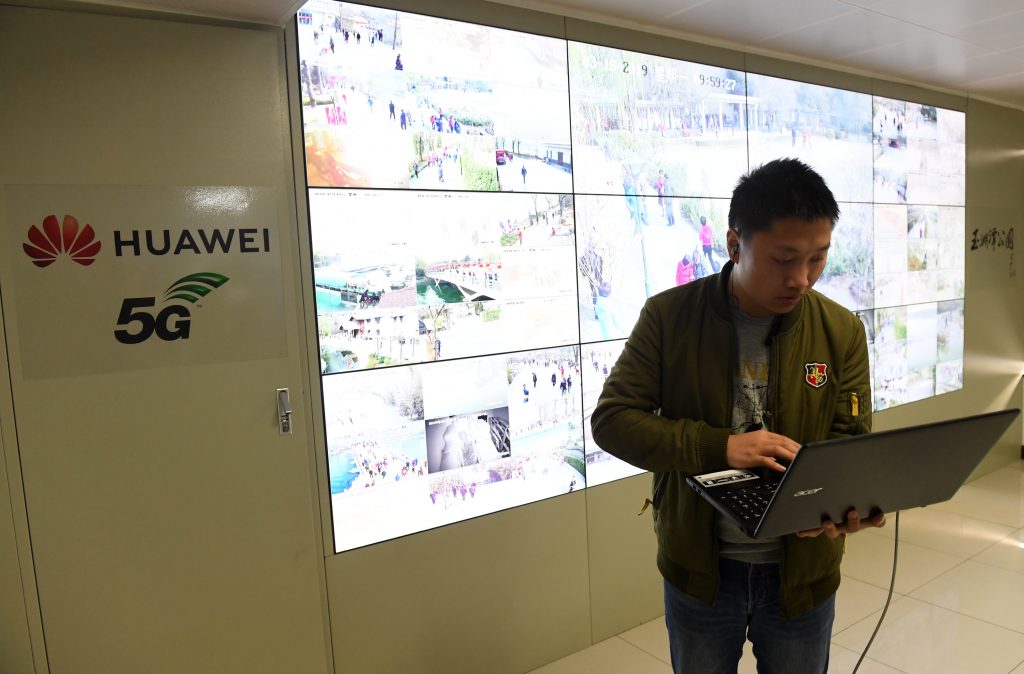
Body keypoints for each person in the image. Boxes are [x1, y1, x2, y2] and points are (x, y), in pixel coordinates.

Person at [591, 158, 881, 674]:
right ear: (734, 245)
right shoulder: (669, 317)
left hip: (802, 576)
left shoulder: (841, 331)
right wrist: (720, 447)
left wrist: (845, 503)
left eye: (818, 258)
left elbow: (848, 442)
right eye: (783, 259)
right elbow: (612, 421)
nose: (802, 279)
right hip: (702, 571)